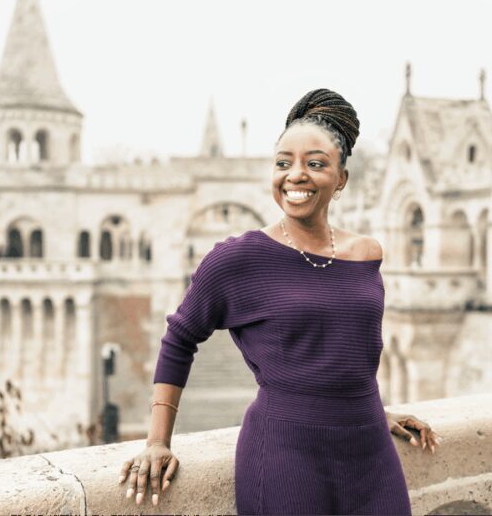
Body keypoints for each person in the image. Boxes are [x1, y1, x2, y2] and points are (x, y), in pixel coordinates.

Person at [118, 88, 441, 514]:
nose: (296, 175)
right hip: (285, 455)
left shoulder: (367, 254)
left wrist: (372, 410)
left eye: (316, 163)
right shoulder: (237, 257)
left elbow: (347, 351)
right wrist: (157, 442)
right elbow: (179, 338)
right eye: (283, 162)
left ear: (341, 179)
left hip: (369, 448)